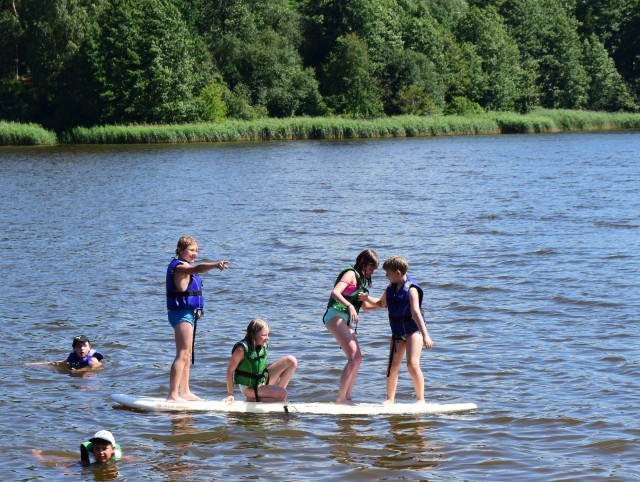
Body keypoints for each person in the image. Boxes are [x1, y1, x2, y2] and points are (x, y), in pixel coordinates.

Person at [359, 255, 434, 404]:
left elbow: (416, 313)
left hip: (414, 331)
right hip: (397, 332)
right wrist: (367, 299)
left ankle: (421, 399)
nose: (386, 276)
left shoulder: (412, 290)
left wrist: (426, 336)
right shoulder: (390, 288)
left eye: (388, 273)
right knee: (392, 366)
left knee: (412, 364)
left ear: (398, 273)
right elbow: (381, 304)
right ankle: (390, 399)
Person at [166, 235, 229, 402]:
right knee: (182, 353)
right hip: (181, 314)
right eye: (191, 250)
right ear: (180, 250)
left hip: (188, 313)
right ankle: (172, 395)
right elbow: (198, 268)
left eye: (196, 251)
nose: (194, 254)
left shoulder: (185, 265)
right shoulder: (179, 267)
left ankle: (185, 392)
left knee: (187, 353)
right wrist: (215, 265)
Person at [322, 249, 379, 405]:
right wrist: (349, 306)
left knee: (358, 358)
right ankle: (341, 399)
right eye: (371, 268)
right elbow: (335, 292)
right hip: (335, 316)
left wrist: (383, 304)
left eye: (374, 269)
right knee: (354, 357)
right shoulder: (351, 274)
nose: (372, 272)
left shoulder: (361, 281)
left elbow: (367, 307)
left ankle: (347, 397)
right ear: (363, 263)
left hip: (343, 320)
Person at [224, 318, 297, 403]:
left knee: (291, 361)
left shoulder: (262, 346)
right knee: (282, 393)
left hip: (261, 381)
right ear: (253, 335)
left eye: (268, 334)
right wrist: (230, 394)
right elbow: (229, 371)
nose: (267, 338)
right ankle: (255, 398)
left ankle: (276, 396)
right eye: (264, 335)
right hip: (249, 388)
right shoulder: (241, 350)